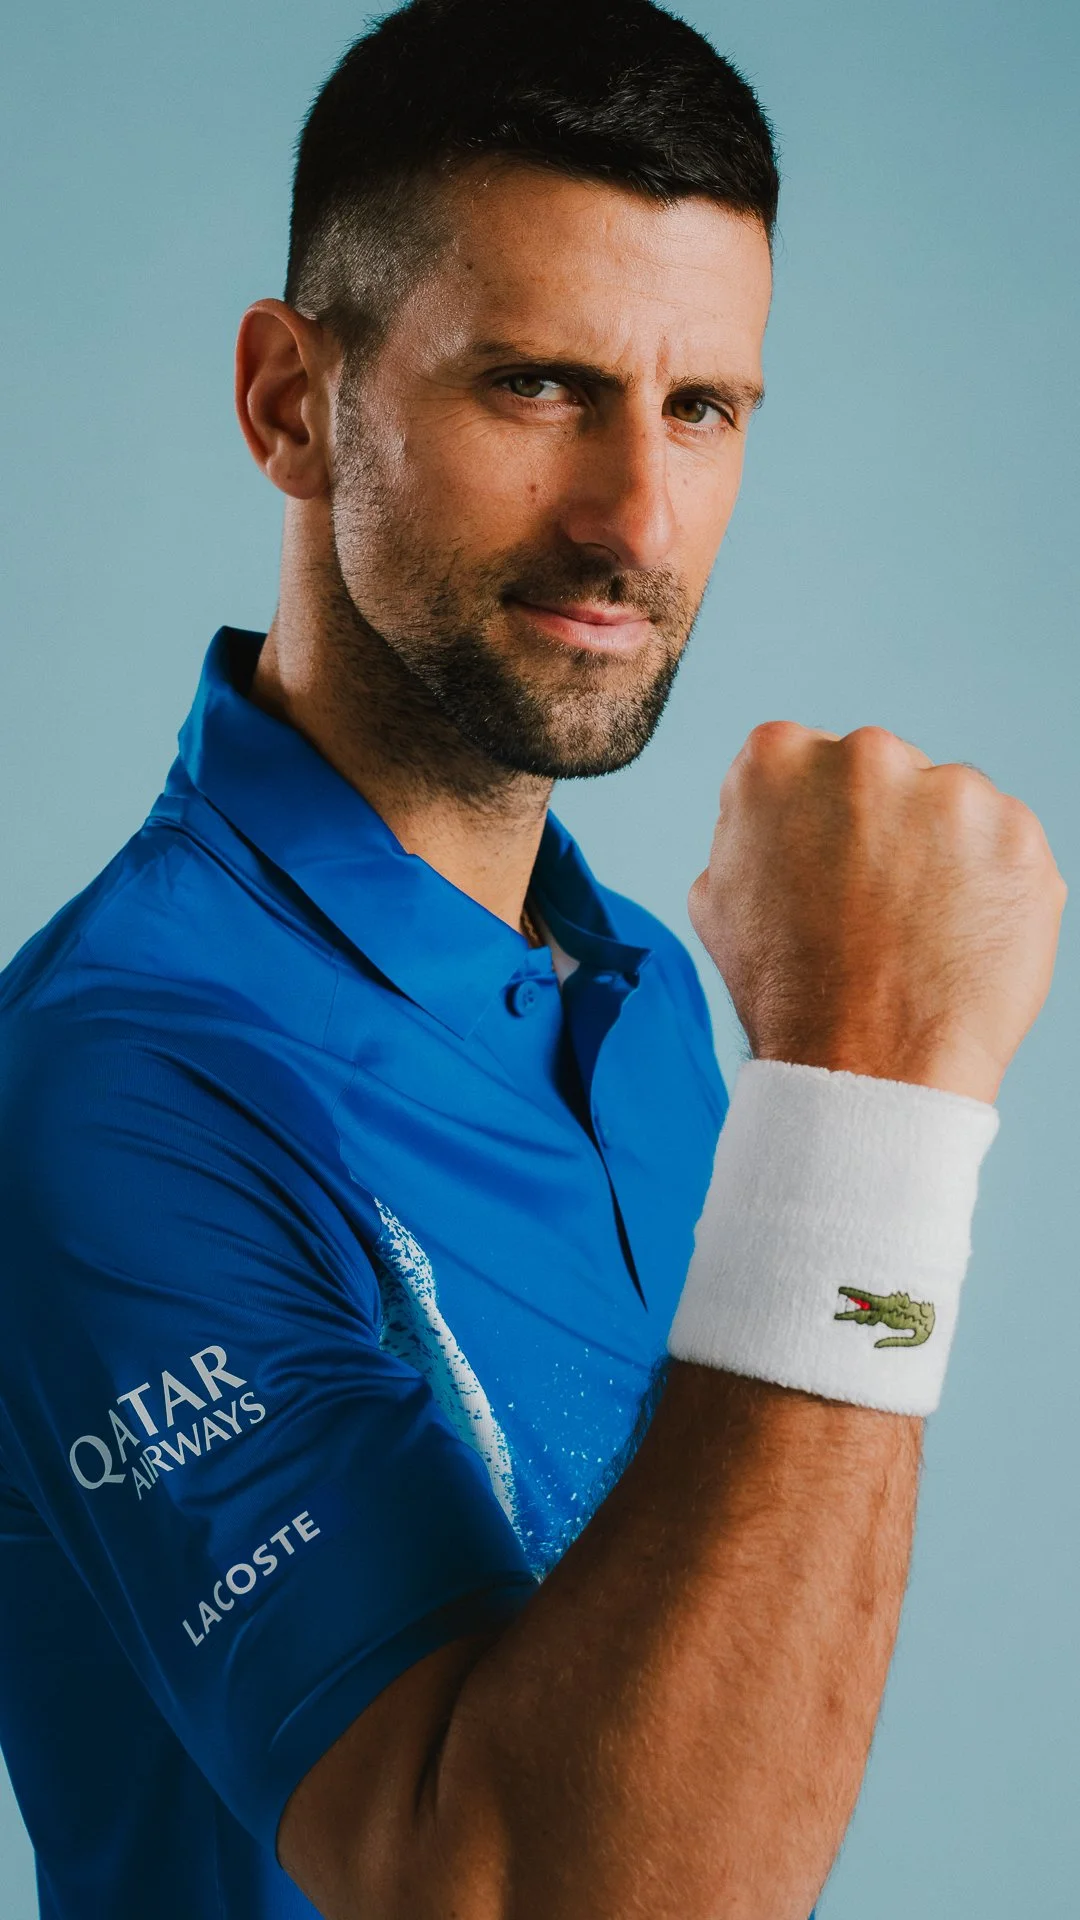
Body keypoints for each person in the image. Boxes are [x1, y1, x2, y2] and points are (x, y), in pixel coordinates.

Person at [0, 0, 1064, 1915]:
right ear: (287, 402)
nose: (634, 520)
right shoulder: (115, 1074)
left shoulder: (648, 995)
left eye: (700, 409)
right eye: (538, 387)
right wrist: (875, 1097)